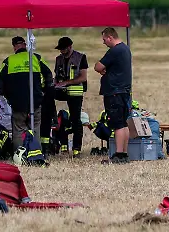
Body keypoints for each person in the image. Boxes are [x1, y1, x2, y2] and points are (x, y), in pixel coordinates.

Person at [0, 35, 53, 150]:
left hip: (17, 102)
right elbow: (49, 75)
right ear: (25, 45)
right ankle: (36, 153)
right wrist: (43, 91)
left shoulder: (8, 61)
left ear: (14, 47)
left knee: (18, 129)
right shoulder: (36, 58)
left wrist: (8, 96)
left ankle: (19, 154)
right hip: (35, 100)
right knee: (35, 127)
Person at [94, 27, 131, 164]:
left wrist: (103, 71)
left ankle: (119, 154)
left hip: (114, 92)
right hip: (123, 92)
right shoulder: (125, 49)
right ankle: (124, 153)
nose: (104, 42)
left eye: (104, 39)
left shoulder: (114, 51)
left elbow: (98, 66)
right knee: (123, 123)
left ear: (110, 37)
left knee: (117, 124)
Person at [53, 36, 89, 157]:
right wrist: (55, 83)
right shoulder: (58, 59)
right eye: (60, 49)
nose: (61, 51)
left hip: (75, 92)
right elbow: (56, 76)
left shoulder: (80, 58)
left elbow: (83, 77)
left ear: (70, 47)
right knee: (58, 115)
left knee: (75, 120)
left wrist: (66, 82)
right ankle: (59, 144)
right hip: (61, 91)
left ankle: (76, 149)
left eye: (63, 49)